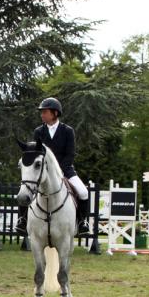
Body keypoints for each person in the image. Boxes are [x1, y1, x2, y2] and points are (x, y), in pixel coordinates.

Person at [15, 97, 89, 235]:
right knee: (26, 189)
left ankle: (82, 222)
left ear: (55, 113)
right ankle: (22, 220)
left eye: (45, 112)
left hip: (65, 169)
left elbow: (70, 154)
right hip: (42, 171)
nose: (42, 114)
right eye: (41, 112)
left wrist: (59, 170)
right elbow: (36, 153)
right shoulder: (39, 131)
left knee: (83, 192)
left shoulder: (67, 131)